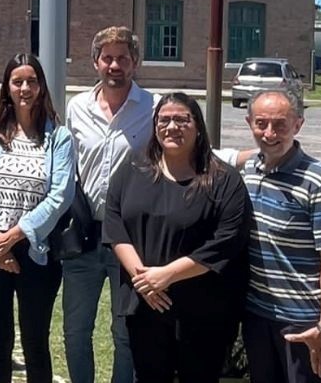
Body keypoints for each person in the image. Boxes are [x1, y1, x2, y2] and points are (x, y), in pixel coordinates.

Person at [104, 92, 250, 383]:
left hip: (204, 311)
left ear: (198, 127)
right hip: (145, 303)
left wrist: (166, 275)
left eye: (182, 120)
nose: (172, 127)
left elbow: (227, 241)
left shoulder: (223, 179)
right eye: (164, 119)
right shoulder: (133, 167)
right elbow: (115, 222)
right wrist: (143, 280)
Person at [0, 53, 75, 383]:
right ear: (7, 88)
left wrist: (14, 236)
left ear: (41, 87)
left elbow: (60, 196)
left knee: (34, 344)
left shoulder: (60, 138)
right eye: (17, 81)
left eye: (31, 81)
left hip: (36, 253)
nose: (24, 88)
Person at [61, 26, 153, 383]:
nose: (115, 65)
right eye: (108, 58)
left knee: (125, 332)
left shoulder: (153, 107)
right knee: (75, 329)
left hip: (128, 239)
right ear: (95, 62)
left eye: (123, 58)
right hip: (82, 236)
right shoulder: (77, 107)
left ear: (135, 63)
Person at [240, 90, 321, 383]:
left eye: (280, 125)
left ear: (298, 125)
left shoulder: (318, 180)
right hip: (257, 313)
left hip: (302, 320)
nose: (270, 133)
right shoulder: (250, 170)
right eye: (261, 123)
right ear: (249, 123)